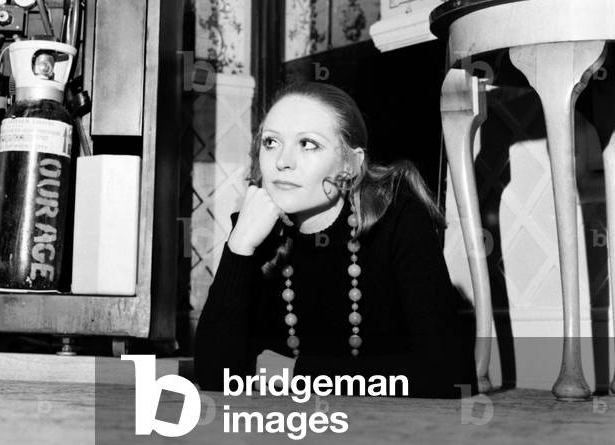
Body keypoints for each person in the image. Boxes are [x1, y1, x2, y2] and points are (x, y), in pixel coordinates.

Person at [193, 82, 475, 397]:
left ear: (350, 164)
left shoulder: (397, 219)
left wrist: (297, 373)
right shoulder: (256, 227)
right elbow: (213, 373)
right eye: (271, 142)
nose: (283, 161)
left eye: (308, 144)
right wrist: (239, 248)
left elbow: (449, 374)